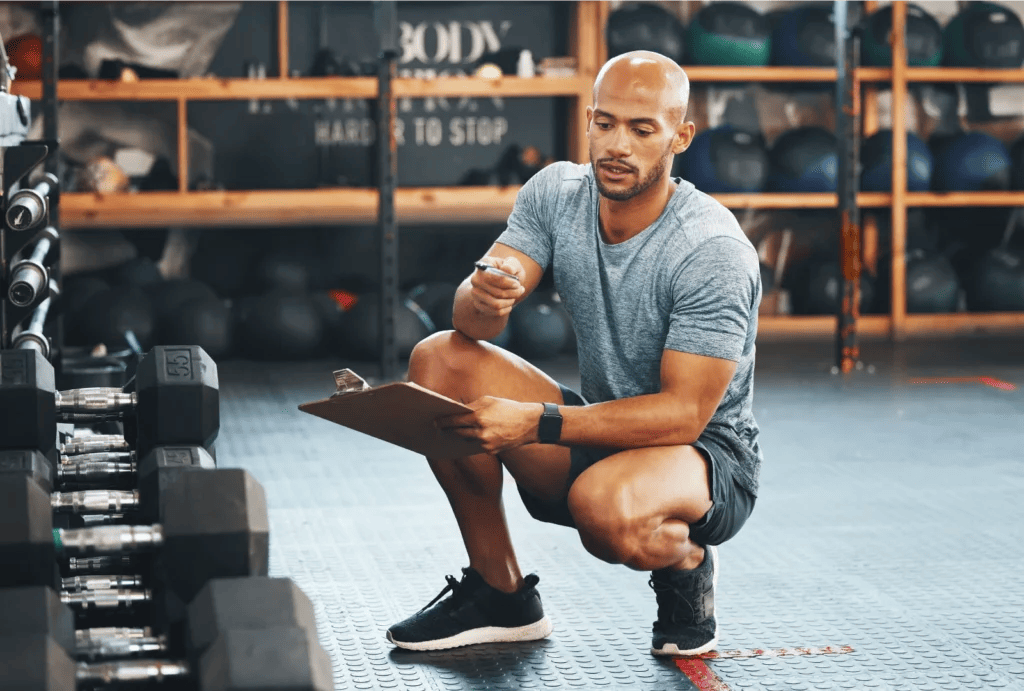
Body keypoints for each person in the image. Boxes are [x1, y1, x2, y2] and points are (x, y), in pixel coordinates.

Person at [386, 50, 763, 657]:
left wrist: (536, 422)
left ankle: (686, 560)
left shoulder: (711, 249)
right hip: (604, 431)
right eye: (605, 123)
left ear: (680, 136)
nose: (617, 144)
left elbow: (683, 415)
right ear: (587, 119)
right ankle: (500, 592)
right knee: (439, 361)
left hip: (705, 457)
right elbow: (469, 323)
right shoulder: (557, 194)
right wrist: (484, 294)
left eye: (642, 130)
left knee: (603, 508)